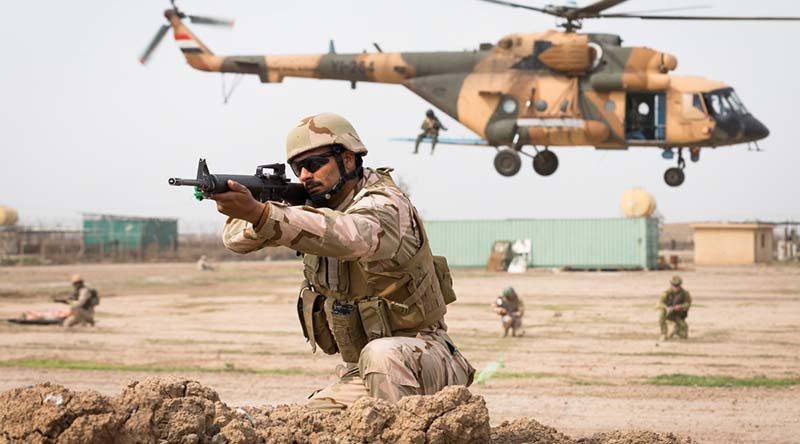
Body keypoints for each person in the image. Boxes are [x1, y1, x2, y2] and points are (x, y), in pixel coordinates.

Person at [211, 112, 473, 411]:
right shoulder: (311, 209)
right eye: (298, 168)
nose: (305, 176)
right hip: (361, 371)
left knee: (382, 355)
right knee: (310, 423)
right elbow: (234, 240)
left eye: (313, 164)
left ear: (348, 160)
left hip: (424, 356)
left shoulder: (385, 203)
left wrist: (263, 214)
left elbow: (350, 236)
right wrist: (257, 212)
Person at [657, 275, 692, 341]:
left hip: (678, 314)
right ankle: (664, 334)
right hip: (668, 313)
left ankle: (676, 331)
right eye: (674, 285)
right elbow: (659, 303)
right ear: (671, 284)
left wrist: (681, 307)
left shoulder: (685, 293)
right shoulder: (666, 293)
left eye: (677, 285)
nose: (676, 287)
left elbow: (688, 303)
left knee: (684, 335)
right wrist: (667, 308)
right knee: (661, 314)